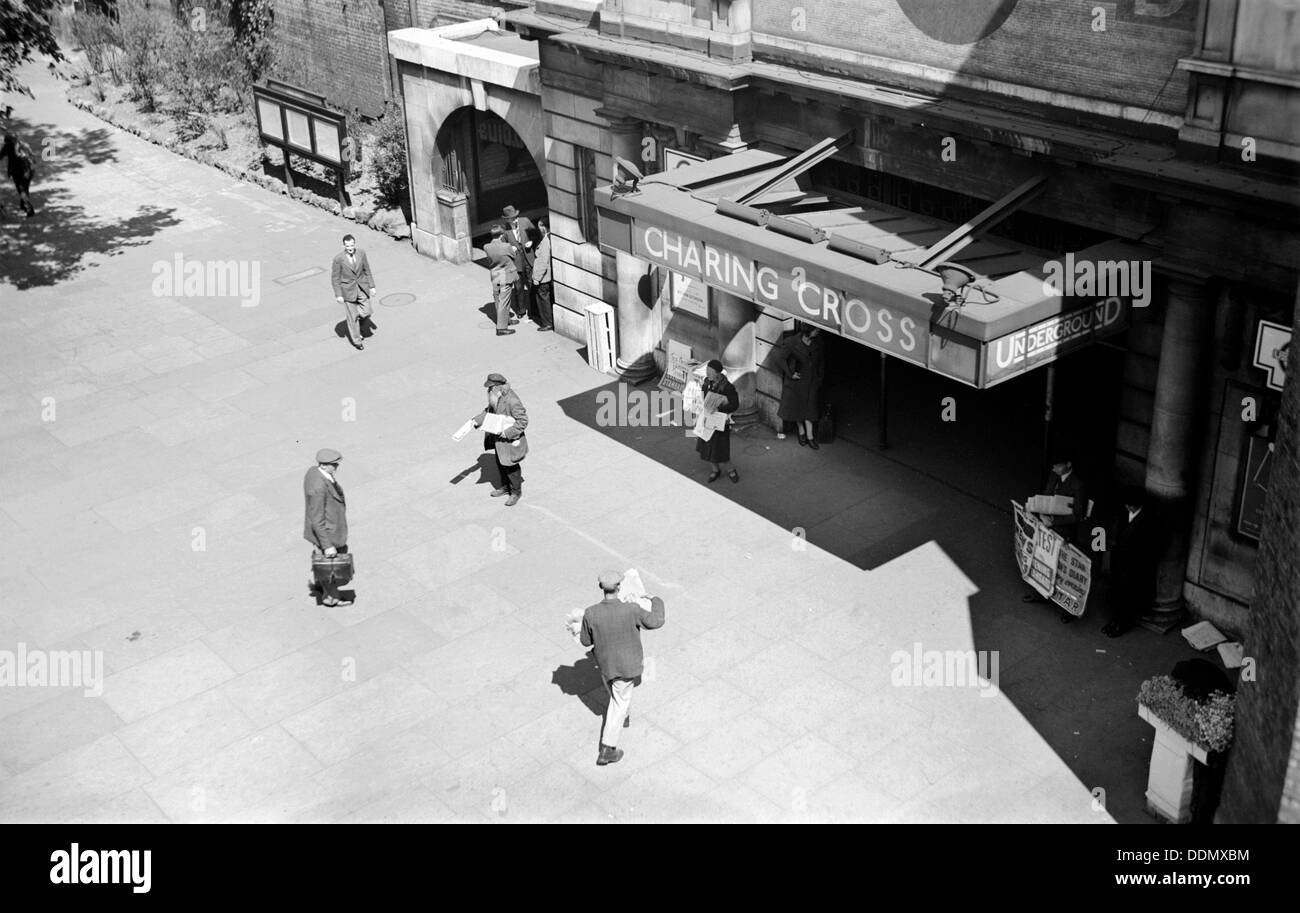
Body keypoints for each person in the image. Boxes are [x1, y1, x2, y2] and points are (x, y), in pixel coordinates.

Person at [579, 570, 666, 766]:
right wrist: (656, 600)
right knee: (619, 703)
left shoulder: (591, 613)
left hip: (605, 665)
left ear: (601, 588)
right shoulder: (631, 610)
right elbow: (656, 621)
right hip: (626, 667)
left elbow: (585, 641)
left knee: (616, 695)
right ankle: (607, 749)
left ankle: (623, 717)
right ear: (619, 587)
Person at [1022, 454, 1088, 622]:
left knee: (1063, 569)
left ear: (1068, 464)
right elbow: (1046, 496)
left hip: (1062, 530)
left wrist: (1054, 521)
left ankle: (1068, 609)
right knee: (1042, 560)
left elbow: (1078, 514)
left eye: (1057, 466)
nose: (1054, 469)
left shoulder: (1078, 485)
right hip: (1046, 526)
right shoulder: (1054, 476)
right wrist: (1037, 509)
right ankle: (1040, 593)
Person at [1102, 487, 1158, 638]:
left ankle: (1122, 624)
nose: (1128, 507)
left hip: (1133, 565)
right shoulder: (1124, 513)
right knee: (1116, 592)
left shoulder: (1148, 519)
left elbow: (1150, 546)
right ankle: (1114, 621)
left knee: (1127, 597)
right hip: (1119, 560)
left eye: (1131, 505)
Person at [303, 448, 350, 607]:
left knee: (324, 562)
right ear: (324, 465)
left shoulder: (314, 472)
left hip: (328, 529)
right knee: (331, 567)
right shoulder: (319, 487)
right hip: (327, 534)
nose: (336, 467)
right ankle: (331, 598)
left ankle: (319, 582)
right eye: (334, 465)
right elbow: (317, 519)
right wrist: (328, 545)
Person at [475, 373, 529, 506]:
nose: (488, 391)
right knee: (500, 463)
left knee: (511, 467)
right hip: (499, 441)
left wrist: (508, 432)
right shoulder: (496, 396)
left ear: (498, 387)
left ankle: (516, 492)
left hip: (509, 441)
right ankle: (505, 487)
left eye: (490, 388)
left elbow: (523, 421)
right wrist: (476, 420)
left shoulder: (512, 400)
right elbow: (489, 411)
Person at [777, 326, 825, 448]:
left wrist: (819, 379)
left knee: (810, 409)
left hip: (812, 382)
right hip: (797, 382)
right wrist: (790, 373)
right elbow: (780, 359)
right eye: (816, 329)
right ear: (808, 331)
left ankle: (810, 436)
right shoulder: (791, 342)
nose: (818, 331)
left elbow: (821, 362)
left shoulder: (818, 342)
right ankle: (802, 432)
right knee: (798, 408)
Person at [696, 359, 740, 483]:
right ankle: (715, 470)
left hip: (720, 421)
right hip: (707, 419)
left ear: (718, 373)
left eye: (710, 372)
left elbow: (734, 404)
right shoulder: (706, 383)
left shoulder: (728, 387)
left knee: (721, 450)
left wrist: (720, 406)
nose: (707, 374)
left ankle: (731, 470)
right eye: (706, 371)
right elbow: (703, 398)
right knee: (708, 447)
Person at [331, 234, 378, 350]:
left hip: (361, 287)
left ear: (355, 244)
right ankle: (357, 341)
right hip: (347, 290)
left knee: (367, 311)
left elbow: (367, 269)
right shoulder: (338, 259)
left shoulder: (361, 253)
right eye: (347, 246)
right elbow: (335, 278)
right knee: (352, 318)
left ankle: (358, 323)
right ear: (344, 246)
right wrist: (338, 295)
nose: (350, 248)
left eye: (352, 245)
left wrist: (372, 286)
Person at [483, 225, 518, 336]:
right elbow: (513, 256)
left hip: (496, 273)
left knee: (498, 298)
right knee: (504, 300)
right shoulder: (506, 246)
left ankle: (505, 320)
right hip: (506, 274)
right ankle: (501, 328)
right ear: (502, 235)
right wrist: (514, 250)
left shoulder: (486, 247)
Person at [502, 205, 536, 321]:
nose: (514, 220)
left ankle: (533, 311)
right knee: (518, 287)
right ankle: (521, 310)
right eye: (511, 218)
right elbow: (503, 246)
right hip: (516, 261)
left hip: (528, 257)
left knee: (531, 284)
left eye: (515, 217)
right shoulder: (504, 229)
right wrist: (510, 248)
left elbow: (535, 235)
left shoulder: (525, 221)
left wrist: (531, 242)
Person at [0, 133, 36, 218]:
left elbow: (0, 156)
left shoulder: (8, 146)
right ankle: (23, 205)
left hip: (18, 172)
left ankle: (29, 209)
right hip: (29, 170)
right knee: (25, 189)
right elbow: (32, 156)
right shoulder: (21, 144)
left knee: (21, 191)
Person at [531, 218, 554, 332]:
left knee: (543, 300)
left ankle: (547, 323)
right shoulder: (550, 237)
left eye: (539, 226)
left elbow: (543, 261)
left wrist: (536, 278)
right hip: (547, 276)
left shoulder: (545, 241)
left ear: (543, 226)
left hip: (543, 278)